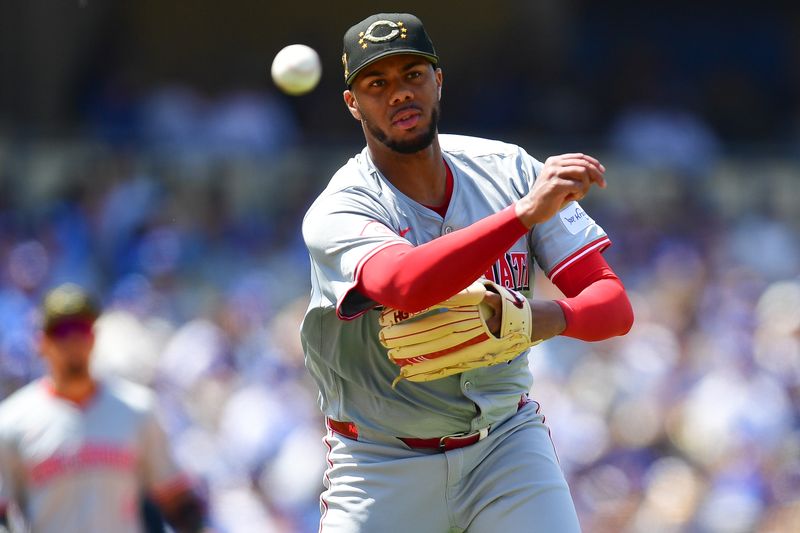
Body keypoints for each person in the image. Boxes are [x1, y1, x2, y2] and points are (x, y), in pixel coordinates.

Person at [301, 12, 634, 533]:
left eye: (413, 75)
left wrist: (535, 319)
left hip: (505, 445)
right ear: (353, 103)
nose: (398, 94)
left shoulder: (511, 170)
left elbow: (613, 306)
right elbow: (407, 285)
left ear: (438, 81)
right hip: (381, 462)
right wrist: (523, 214)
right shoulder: (341, 207)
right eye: (376, 84)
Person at [0, 283, 207, 533]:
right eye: (62, 330)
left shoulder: (136, 409)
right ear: (41, 341)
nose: (73, 339)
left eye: (81, 328)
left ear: (94, 336)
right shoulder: (12, 422)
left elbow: (175, 499)